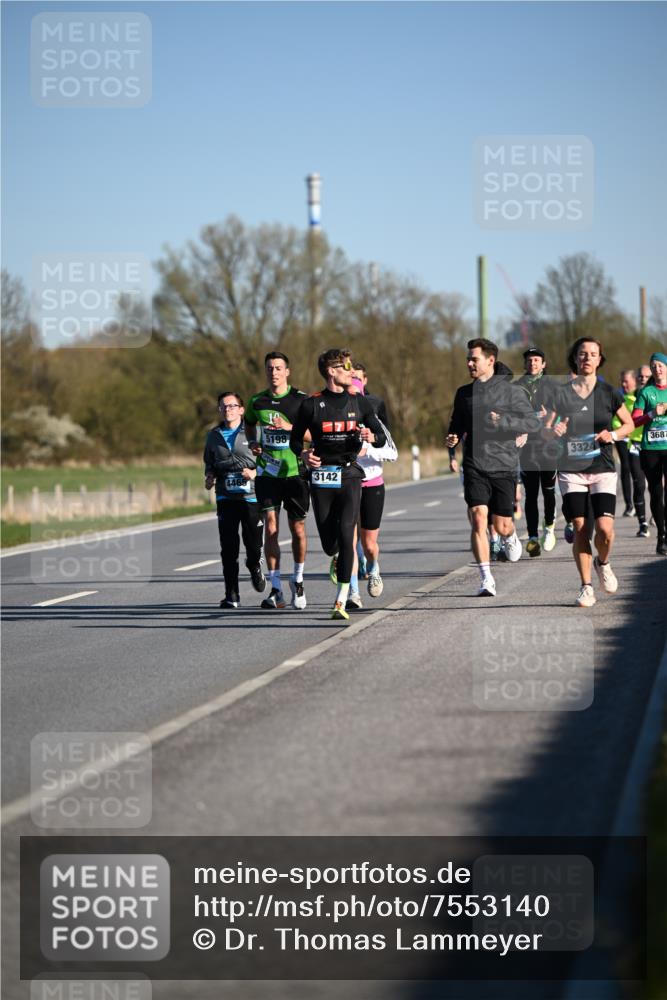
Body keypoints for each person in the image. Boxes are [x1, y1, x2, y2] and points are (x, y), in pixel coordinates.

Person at [289, 348, 387, 621]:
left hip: (350, 475)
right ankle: (336, 559)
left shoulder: (361, 403)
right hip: (321, 479)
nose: (351, 372)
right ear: (331, 372)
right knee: (330, 545)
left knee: (347, 538)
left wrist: (371, 435)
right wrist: (304, 454)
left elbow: (380, 436)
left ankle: (341, 600)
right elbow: (295, 440)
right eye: (345, 368)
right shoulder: (311, 404)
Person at [446, 338, 541, 597]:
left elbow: (533, 424)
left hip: (504, 464)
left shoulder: (512, 392)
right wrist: (452, 439)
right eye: (468, 358)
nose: (469, 363)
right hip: (474, 463)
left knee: (501, 526)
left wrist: (504, 420)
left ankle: (509, 536)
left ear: (490, 360)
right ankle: (486, 578)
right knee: (478, 517)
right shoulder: (464, 393)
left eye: (473, 359)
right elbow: (457, 424)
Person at [545, 338, 635, 607]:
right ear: (575, 358)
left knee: (605, 530)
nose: (587, 358)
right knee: (581, 527)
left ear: (599, 359)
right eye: (582, 354)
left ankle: (603, 563)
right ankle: (586, 587)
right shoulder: (560, 394)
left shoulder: (609, 393)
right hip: (571, 469)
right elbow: (545, 430)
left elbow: (629, 423)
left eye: (592, 354)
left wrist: (614, 434)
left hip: (602, 468)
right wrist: (553, 431)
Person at [245, 352, 310, 610]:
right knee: (271, 528)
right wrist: (253, 442)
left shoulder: (301, 400)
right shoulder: (256, 401)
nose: (274, 372)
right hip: (267, 474)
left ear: (287, 372)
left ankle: (299, 579)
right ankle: (276, 589)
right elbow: (249, 425)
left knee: (298, 530)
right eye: (270, 368)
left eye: (278, 368)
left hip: (295, 474)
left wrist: (288, 428)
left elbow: (312, 435)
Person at [204, 392, 266, 609]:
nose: (227, 410)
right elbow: (209, 462)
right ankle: (232, 595)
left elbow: (270, 460)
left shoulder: (254, 431)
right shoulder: (213, 435)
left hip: (251, 497)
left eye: (232, 406)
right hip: (225, 497)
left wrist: (255, 472)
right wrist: (210, 477)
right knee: (228, 547)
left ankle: (255, 565)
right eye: (223, 406)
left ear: (241, 409)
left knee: (253, 545)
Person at [345, 374, 398, 609]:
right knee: (349, 541)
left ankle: (374, 566)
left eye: (356, 396)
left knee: (368, 545)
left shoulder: (374, 422)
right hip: (347, 484)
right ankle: (353, 593)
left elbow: (393, 453)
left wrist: (371, 448)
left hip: (372, 484)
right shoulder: (338, 420)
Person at [514, 347, 559, 557]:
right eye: (529, 360)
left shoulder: (552, 385)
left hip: (548, 445)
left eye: (537, 360)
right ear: (525, 364)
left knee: (548, 491)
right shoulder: (517, 387)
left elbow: (562, 411)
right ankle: (532, 537)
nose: (533, 363)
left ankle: (549, 526)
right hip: (527, 447)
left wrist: (549, 416)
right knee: (531, 494)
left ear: (543, 364)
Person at [632, 351, 667, 555]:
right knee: (655, 492)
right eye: (653, 366)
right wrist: (652, 414)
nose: (657, 369)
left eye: (660, 365)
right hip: (651, 449)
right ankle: (661, 537)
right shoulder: (646, 392)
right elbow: (634, 421)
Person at [613, 369, 649, 535]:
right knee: (636, 480)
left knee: (657, 486)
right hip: (632, 443)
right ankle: (640, 520)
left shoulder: (653, 395)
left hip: (654, 445)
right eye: (622, 381)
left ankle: (657, 518)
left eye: (646, 376)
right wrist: (621, 431)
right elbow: (617, 419)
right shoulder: (624, 398)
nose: (623, 384)